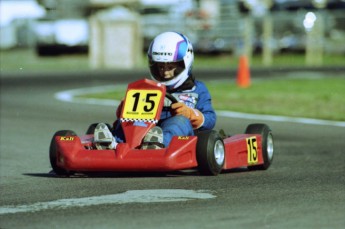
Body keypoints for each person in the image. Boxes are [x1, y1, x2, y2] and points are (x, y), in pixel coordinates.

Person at [94, 31, 216, 150]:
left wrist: (191, 114)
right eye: (161, 66)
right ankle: (114, 143)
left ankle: (158, 144)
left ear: (185, 63)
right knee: (130, 121)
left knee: (179, 121)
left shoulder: (197, 89)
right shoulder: (148, 88)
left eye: (171, 66)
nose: (165, 72)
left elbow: (210, 119)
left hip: (180, 137)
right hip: (145, 130)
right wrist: (125, 109)